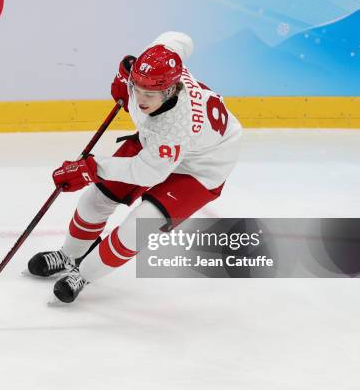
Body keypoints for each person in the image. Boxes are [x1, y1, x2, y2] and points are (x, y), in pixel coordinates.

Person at [27, 31, 242, 303]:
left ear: (171, 89)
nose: (140, 99)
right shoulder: (158, 64)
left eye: (149, 94)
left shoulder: (174, 128)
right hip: (161, 146)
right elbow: (180, 38)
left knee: (140, 224)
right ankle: (70, 255)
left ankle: (84, 274)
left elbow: (148, 172)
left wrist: (91, 168)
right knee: (96, 198)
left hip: (203, 166)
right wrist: (125, 74)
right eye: (136, 88)